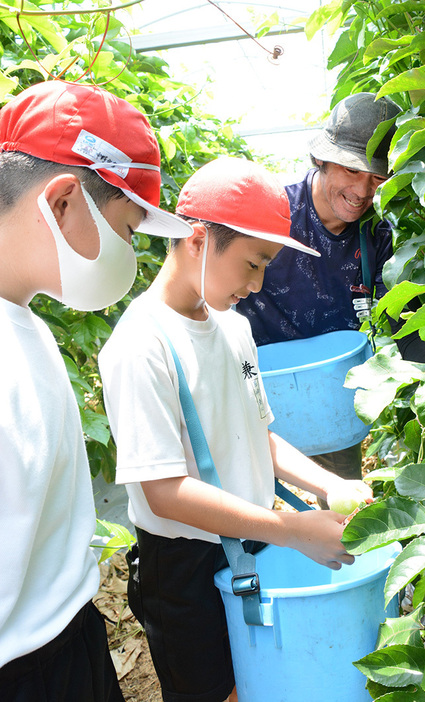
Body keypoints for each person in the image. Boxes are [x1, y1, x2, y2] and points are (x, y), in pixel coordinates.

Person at [98, 156, 372, 702]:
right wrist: (293, 530)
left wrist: (326, 485)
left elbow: (255, 432)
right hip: (185, 566)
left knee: (261, 678)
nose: (258, 283)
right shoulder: (141, 345)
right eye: (253, 262)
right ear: (197, 239)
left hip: (252, 538)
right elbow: (163, 491)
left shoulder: (233, 327)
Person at [0, 80, 192, 702]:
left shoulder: (27, 327)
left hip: (65, 640)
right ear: (61, 203)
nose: (131, 251)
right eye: (128, 227)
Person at [236, 92, 425, 495]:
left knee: (345, 510)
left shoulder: (378, 236)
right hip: (258, 405)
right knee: (254, 521)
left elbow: (400, 317)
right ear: (321, 160)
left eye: (377, 178)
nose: (363, 191)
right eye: (351, 170)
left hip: (330, 410)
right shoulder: (273, 215)